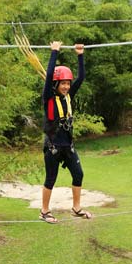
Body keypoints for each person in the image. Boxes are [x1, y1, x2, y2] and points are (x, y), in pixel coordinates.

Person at [39, 40, 92, 223]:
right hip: (53, 147)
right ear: (56, 84)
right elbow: (48, 77)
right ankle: (44, 211)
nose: (67, 87)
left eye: (68, 84)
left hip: (68, 146)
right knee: (50, 179)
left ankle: (76, 208)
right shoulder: (48, 97)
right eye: (63, 83)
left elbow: (82, 78)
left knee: (78, 174)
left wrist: (80, 55)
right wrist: (54, 52)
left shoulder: (69, 96)